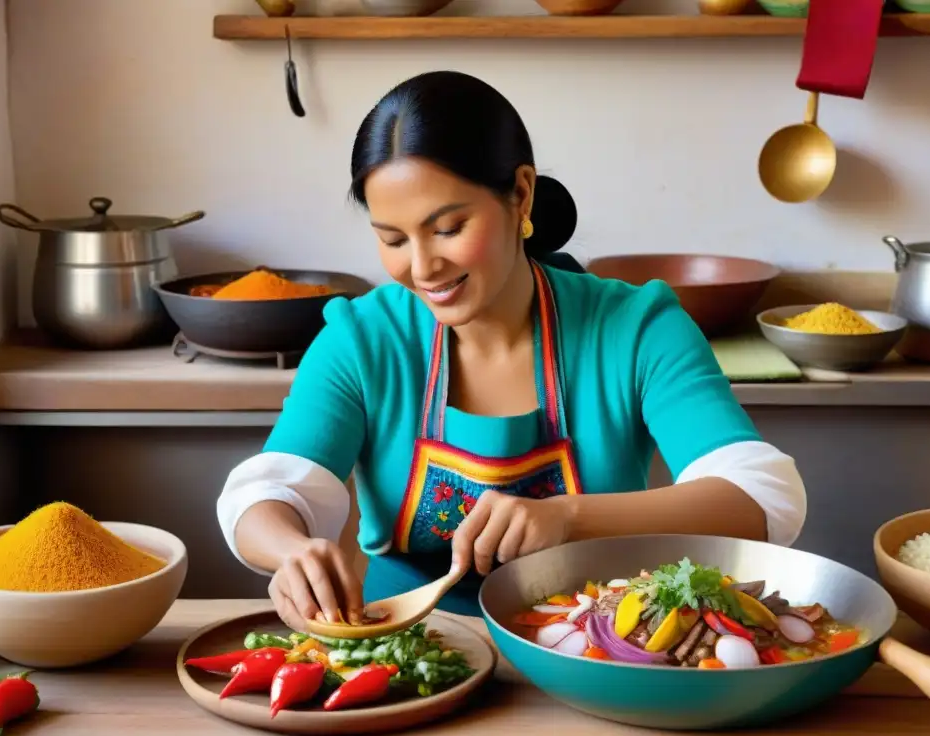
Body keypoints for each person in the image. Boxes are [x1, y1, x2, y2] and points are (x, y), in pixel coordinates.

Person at [217, 70, 806, 631]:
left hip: (598, 651)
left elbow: (762, 496)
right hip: (409, 646)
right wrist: (292, 551)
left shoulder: (635, 327)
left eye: (448, 228)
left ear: (520, 195)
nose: (422, 268)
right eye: (392, 239)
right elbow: (267, 492)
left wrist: (570, 518)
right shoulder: (363, 339)